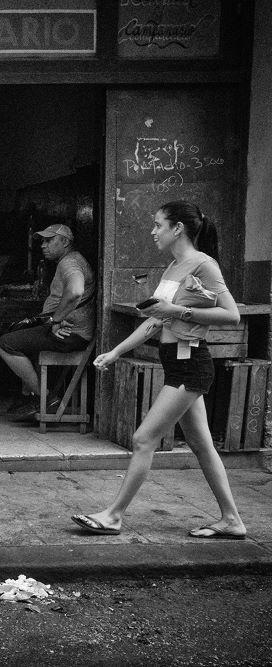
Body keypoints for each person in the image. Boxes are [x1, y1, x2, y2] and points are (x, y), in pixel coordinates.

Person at [73, 201, 246, 540]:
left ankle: (113, 515)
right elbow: (156, 319)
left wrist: (179, 311)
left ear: (177, 228)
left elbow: (232, 315)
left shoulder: (203, 265)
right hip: (175, 362)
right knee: (202, 445)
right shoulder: (173, 267)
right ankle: (232, 519)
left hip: (190, 363)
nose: (153, 231)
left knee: (142, 439)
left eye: (158, 225)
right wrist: (116, 351)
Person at [0, 223, 95, 421]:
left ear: (65, 242)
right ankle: (30, 397)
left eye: (49, 241)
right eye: (43, 241)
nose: (43, 245)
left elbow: (76, 291)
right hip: (74, 331)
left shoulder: (69, 263)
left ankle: (47, 398)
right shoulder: (73, 259)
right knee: (23, 336)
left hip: (70, 333)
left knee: (5, 344)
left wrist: (56, 320)